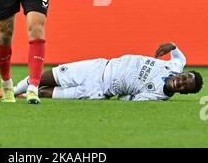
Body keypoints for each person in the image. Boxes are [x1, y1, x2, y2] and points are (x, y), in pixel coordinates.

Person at [14, 42, 203, 101]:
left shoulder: (158, 95)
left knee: (48, 93)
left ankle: (27, 94)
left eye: (185, 86)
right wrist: (172, 46)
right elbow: (179, 55)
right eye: (185, 78)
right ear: (183, 73)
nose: (182, 82)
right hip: (99, 67)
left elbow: (127, 100)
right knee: (52, 75)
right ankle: (13, 90)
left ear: (182, 92)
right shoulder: (176, 66)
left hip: (99, 91)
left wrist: (124, 91)